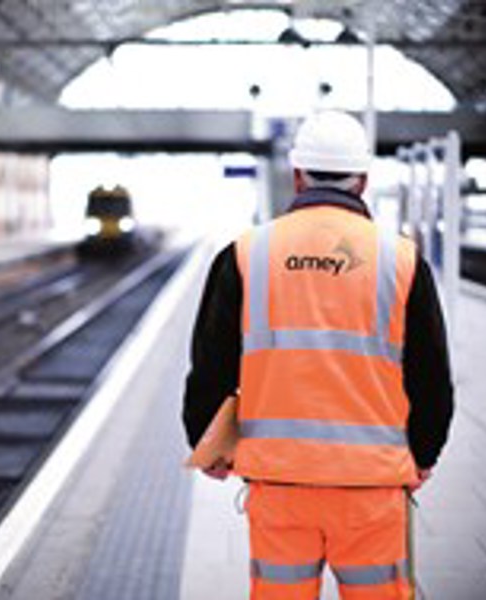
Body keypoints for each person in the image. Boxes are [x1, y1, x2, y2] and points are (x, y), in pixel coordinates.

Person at [182, 110, 453, 600]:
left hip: (279, 484)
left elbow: (209, 363)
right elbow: (431, 373)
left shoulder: (246, 254)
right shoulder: (402, 259)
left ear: (297, 174)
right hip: (372, 488)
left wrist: (207, 441)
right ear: (364, 180)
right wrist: (426, 451)